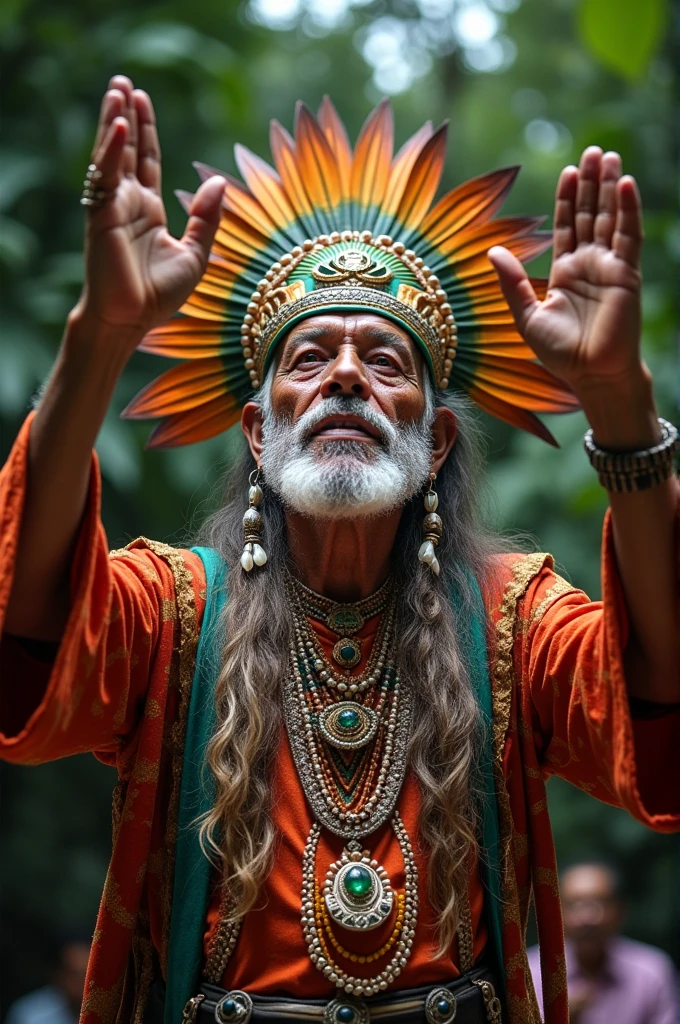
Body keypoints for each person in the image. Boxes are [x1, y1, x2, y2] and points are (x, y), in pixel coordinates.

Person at [0, 74, 679, 1024]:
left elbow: (661, 703)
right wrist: (101, 335)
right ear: (255, 430)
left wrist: (619, 404)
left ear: (435, 440)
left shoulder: (515, 617)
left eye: (387, 361)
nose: (347, 376)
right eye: (310, 358)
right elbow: (27, 644)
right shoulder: (171, 612)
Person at [528, 863, 679, 1023]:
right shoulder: (530, 973)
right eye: (574, 905)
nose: (587, 918)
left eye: (599, 903)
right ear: (556, 913)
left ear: (620, 910)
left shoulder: (652, 972)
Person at [5, 934, 90, 1024]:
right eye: (75, 975)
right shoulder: (30, 1014)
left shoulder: (105, 1011)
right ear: (57, 975)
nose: (83, 982)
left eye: (87, 975)